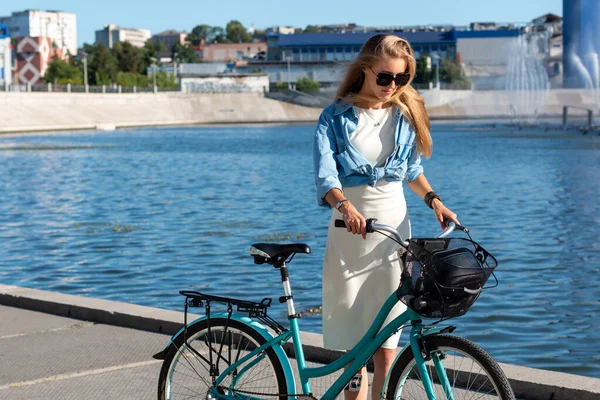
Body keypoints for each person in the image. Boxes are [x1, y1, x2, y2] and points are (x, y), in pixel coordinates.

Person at [312, 34, 459, 400]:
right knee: (352, 337)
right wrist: (346, 206)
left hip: (394, 231)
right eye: (385, 78)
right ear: (365, 70)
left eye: (401, 79)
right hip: (351, 232)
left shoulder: (403, 115)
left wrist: (435, 201)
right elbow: (326, 178)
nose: (392, 86)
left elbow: (411, 170)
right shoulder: (334, 117)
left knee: (390, 331)